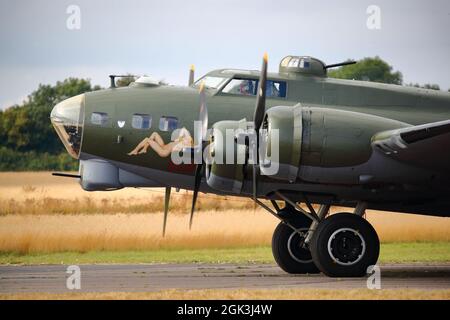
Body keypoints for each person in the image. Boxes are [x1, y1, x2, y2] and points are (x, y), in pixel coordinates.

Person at [128, 127, 193, 158]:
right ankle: (144, 149)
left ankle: (135, 150)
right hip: (163, 146)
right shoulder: (183, 140)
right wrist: (181, 137)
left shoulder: (185, 146)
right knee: (154, 133)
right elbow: (184, 129)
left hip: (163, 151)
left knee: (147, 139)